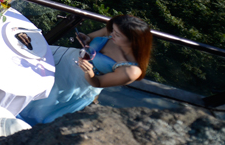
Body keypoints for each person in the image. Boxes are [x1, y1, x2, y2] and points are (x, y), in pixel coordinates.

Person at [18, 14, 153, 125]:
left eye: (117, 34)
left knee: (39, 103)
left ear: (133, 41)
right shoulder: (113, 32)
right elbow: (91, 39)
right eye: (112, 31)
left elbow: (97, 83)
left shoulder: (131, 70)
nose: (112, 35)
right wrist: (86, 38)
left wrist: (89, 73)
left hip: (72, 83)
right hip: (63, 58)